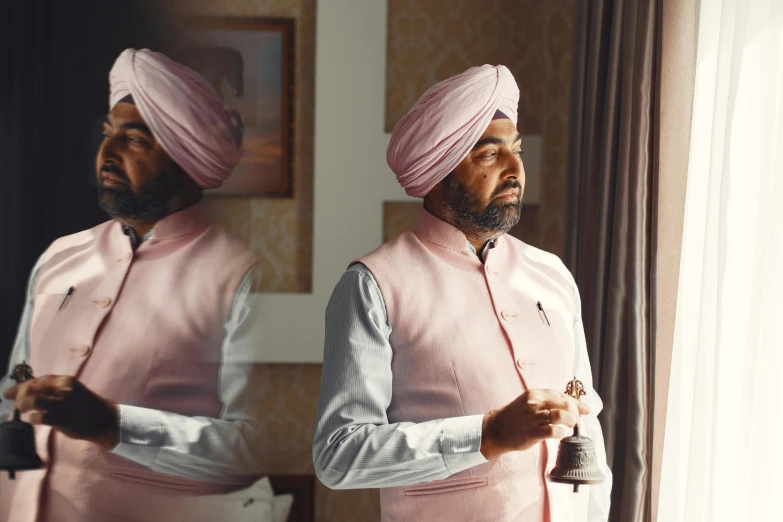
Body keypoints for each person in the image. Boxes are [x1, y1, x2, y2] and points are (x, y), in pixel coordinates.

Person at [313, 65, 612, 522]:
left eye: (518, 151)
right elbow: (339, 455)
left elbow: (588, 426)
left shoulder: (552, 275)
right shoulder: (372, 287)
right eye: (489, 156)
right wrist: (487, 433)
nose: (515, 170)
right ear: (437, 172)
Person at [0, 49, 265, 522]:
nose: (108, 152)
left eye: (135, 140)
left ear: (186, 158)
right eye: (107, 134)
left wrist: (111, 424)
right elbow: (15, 381)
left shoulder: (242, 274)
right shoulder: (60, 256)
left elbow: (250, 446)